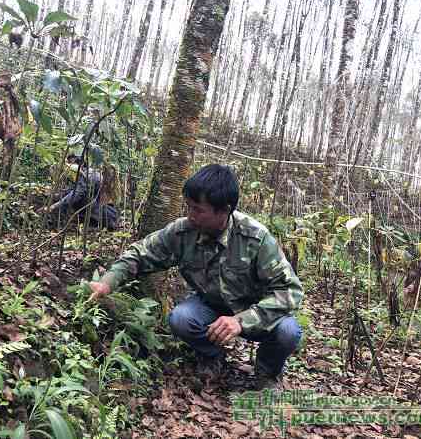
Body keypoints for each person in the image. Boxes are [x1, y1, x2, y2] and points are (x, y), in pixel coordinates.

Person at [88, 164, 303, 390]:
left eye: (198, 210)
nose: (190, 216)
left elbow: (290, 291)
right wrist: (107, 282)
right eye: (188, 207)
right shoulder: (183, 231)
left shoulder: (255, 238)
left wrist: (242, 320)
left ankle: (267, 372)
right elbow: (140, 253)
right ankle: (212, 356)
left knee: (288, 331)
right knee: (181, 318)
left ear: (224, 210)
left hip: (255, 313)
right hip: (210, 308)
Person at [43, 153, 118, 231]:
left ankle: (94, 224)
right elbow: (71, 190)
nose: (69, 168)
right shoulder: (85, 173)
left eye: (71, 164)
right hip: (100, 210)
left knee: (76, 201)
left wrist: (54, 206)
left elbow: (76, 194)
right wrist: (54, 195)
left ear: (80, 164)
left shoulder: (88, 175)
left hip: (99, 212)